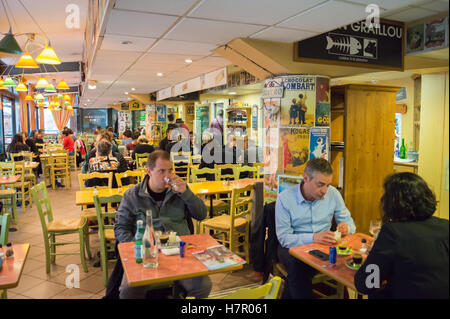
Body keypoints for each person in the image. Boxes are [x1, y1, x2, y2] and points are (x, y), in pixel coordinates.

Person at [114, 150, 211, 299]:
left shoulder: (180, 190)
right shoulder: (132, 195)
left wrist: (186, 193)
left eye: (170, 170)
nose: (168, 176)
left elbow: (201, 215)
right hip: (148, 255)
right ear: (149, 171)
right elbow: (120, 228)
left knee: (203, 285)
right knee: (128, 292)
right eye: (161, 171)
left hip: (179, 254)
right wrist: (138, 246)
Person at [354, 173, 449, 299]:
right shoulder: (445, 226)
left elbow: (367, 283)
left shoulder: (393, 232)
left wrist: (374, 255)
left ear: (392, 202)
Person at [275, 158, 356, 299]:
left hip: (324, 245)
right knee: (297, 267)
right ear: (305, 178)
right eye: (320, 185)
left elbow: (350, 224)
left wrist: (346, 228)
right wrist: (314, 237)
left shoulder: (333, 194)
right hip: (293, 246)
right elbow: (284, 238)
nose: (325, 191)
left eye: (328, 185)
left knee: (352, 259)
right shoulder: (285, 199)